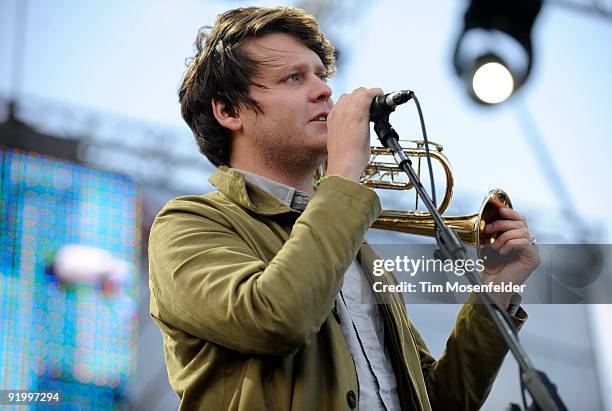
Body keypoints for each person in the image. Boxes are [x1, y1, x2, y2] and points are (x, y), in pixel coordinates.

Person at [148, 6, 540, 410]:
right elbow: (275, 317)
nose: (323, 91)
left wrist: (498, 288)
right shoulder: (188, 223)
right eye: (293, 77)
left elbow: (438, 401)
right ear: (228, 110)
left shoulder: (354, 251)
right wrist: (344, 175)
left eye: (320, 75)